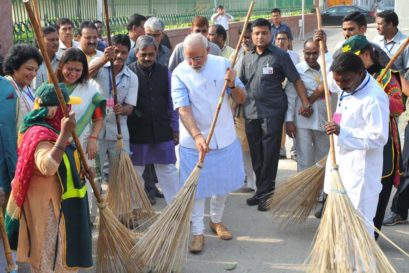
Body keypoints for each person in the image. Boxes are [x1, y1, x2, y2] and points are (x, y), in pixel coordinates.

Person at [5, 83, 92, 273]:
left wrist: (80, 170)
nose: (69, 111)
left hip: (62, 204)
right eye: (66, 107)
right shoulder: (39, 134)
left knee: (61, 256)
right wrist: (64, 134)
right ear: (55, 112)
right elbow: (48, 166)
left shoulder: (50, 129)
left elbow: (64, 162)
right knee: (50, 259)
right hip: (47, 208)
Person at [172, 33, 246, 253]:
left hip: (223, 135)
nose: (193, 63)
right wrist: (196, 135)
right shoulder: (179, 73)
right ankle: (197, 232)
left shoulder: (224, 64)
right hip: (193, 140)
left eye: (198, 58)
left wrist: (233, 84)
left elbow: (242, 98)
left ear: (208, 51)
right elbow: (183, 109)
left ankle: (216, 220)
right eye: (189, 58)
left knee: (221, 185)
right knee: (197, 189)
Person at [240, 18, 312, 211]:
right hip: (250, 111)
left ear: (270, 34)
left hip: (272, 112)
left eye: (264, 33)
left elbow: (296, 80)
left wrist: (305, 101)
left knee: (270, 154)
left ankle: (267, 194)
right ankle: (259, 190)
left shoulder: (280, 56)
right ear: (251, 35)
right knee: (256, 154)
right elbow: (240, 85)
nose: (260, 36)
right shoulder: (246, 57)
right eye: (256, 33)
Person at [341, 35, 404, 236]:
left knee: (376, 191)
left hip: (380, 144)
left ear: (366, 55)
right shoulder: (346, 76)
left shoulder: (386, 77)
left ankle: (371, 236)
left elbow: (398, 106)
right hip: (352, 145)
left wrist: (376, 95)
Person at [324, 52, 389, 233]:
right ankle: (341, 260)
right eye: (337, 81)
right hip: (341, 166)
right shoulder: (347, 86)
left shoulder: (374, 98)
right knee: (339, 225)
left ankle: (359, 262)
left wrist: (342, 131)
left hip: (360, 174)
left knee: (358, 226)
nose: (341, 86)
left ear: (361, 73)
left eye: (345, 81)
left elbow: (379, 136)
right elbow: (330, 80)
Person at [56, 48, 106, 223]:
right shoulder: (52, 87)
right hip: (56, 145)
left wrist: (93, 138)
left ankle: (86, 219)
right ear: (61, 66)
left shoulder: (91, 90)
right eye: (69, 68)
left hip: (82, 144)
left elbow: (98, 118)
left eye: (78, 70)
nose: (73, 73)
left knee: (84, 180)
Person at [128, 35, 179, 204]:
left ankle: (175, 209)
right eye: (143, 55)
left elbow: (172, 103)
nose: (148, 58)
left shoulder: (165, 73)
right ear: (136, 53)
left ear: (156, 52)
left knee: (168, 171)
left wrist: (175, 128)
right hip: (137, 131)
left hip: (162, 129)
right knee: (135, 172)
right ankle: (136, 210)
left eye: (151, 54)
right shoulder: (129, 73)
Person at [90, 34, 138, 183]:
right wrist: (103, 59)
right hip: (95, 131)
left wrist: (121, 110)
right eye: (116, 51)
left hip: (119, 131)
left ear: (128, 53)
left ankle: (116, 205)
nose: (119, 56)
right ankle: (96, 205)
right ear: (109, 50)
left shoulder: (132, 77)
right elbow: (85, 74)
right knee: (94, 174)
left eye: (124, 52)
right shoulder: (99, 66)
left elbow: (130, 107)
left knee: (119, 174)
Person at [285, 39, 333, 172]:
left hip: (324, 120)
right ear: (303, 52)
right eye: (308, 53)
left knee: (323, 159)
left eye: (315, 53)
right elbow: (290, 96)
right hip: (303, 122)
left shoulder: (327, 68)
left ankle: (321, 191)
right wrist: (289, 120)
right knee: (304, 159)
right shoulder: (297, 70)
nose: (311, 57)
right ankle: (305, 192)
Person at [230, 22, 256, 192]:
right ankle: (247, 180)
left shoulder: (259, 55)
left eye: (248, 37)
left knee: (255, 147)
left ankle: (257, 182)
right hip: (238, 109)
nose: (246, 40)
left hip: (256, 108)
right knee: (241, 147)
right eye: (243, 37)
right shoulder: (234, 56)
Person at [3, 44, 43, 127]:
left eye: (36, 70)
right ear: (15, 67)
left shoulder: (27, 88)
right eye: (29, 69)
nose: (34, 74)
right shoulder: (5, 88)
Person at [372, 10, 409, 77]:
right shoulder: (376, 40)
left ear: (390, 24)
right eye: (377, 24)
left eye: (380, 24)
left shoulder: (406, 43)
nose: (377, 28)